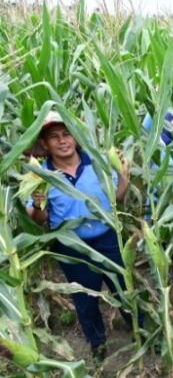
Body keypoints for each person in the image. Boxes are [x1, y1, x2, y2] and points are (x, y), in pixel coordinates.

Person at [26, 112, 135, 362]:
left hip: (108, 238)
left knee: (123, 287)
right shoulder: (40, 176)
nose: (62, 141)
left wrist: (125, 173)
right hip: (71, 246)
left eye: (66, 134)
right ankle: (98, 345)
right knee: (84, 298)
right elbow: (39, 220)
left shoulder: (98, 163)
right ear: (45, 144)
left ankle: (138, 329)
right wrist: (37, 204)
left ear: (75, 137)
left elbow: (117, 197)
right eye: (54, 137)